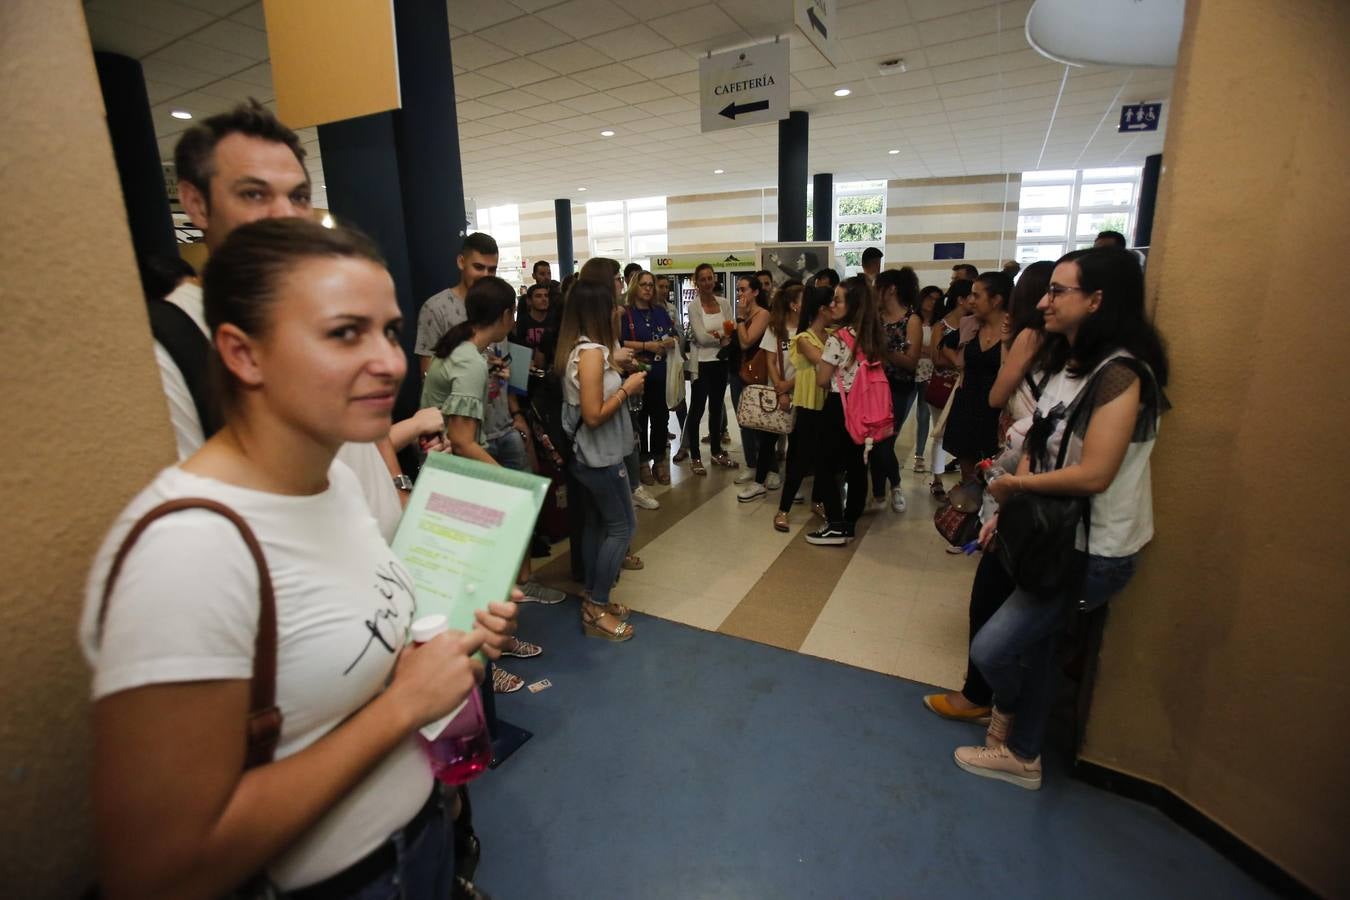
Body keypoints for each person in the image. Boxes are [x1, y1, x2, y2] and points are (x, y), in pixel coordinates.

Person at [80, 218, 519, 897]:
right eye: (345, 333)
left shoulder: (336, 480)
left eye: (391, 331)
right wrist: (403, 706)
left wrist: (445, 647)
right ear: (243, 354)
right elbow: (161, 869)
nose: (391, 362)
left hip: (418, 842)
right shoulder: (186, 551)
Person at [952, 246, 1168, 790]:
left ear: (1097, 300)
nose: (1044, 302)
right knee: (1040, 646)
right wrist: (1009, 507)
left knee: (994, 648)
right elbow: (1038, 437)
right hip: (1051, 533)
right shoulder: (1070, 362)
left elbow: (1095, 473)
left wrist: (1014, 486)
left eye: (1058, 291)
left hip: (1092, 548)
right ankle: (1020, 751)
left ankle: (1014, 737)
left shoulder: (1122, 374)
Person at [154, 99, 313, 460]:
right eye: (254, 194)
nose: (285, 215)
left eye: (298, 197)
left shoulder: (310, 316)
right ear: (196, 205)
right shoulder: (168, 343)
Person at [423, 276, 546, 687]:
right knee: (471, 579)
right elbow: (460, 441)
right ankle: (481, 668)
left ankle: (500, 641)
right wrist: (510, 483)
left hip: (454, 475)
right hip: (450, 482)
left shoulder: (471, 351)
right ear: (506, 315)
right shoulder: (470, 360)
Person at [555, 278, 646, 643]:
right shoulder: (590, 353)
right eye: (613, 305)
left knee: (596, 526)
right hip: (601, 457)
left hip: (592, 454)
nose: (619, 310)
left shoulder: (585, 349)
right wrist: (627, 388)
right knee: (623, 528)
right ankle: (596, 606)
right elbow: (593, 414)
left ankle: (594, 596)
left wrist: (614, 361)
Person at [806, 277, 887, 545]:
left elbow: (822, 379)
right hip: (865, 407)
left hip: (839, 407)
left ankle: (836, 524)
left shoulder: (837, 339)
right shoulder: (873, 335)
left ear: (852, 305)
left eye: (838, 300)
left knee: (825, 465)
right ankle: (850, 521)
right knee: (856, 465)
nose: (832, 304)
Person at [942, 271, 1012, 486]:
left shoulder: (1015, 330)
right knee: (968, 479)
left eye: (976, 295)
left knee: (995, 478)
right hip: (967, 405)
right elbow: (944, 344)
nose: (971, 300)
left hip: (996, 410)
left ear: (996, 299)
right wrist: (958, 363)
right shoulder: (970, 324)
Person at [774, 285, 831, 531]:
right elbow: (827, 361)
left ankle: (818, 500)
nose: (837, 308)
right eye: (833, 304)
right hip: (809, 404)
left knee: (825, 458)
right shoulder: (803, 338)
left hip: (830, 403)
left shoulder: (833, 334)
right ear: (822, 309)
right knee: (799, 459)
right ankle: (783, 509)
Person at [869, 267, 924, 512]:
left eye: (878, 287)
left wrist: (886, 352)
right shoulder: (874, 318)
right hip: (871, 387)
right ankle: (879, 493)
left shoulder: (911, 320)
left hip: (898, 388)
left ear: (890, 289)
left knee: (884, 443)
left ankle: (894, 487)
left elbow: (911, 362)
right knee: (874, 441)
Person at [619, 270, 677, 485]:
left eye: (650, 285)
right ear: (635, 287)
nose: (647, 289)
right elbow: (620, 342)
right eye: (643, 284)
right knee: (640, 420)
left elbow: (673, 334)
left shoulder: (660, 311)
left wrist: (669, 342)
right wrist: (646, 346)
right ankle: (642, 462)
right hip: (637, 375)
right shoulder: (626, 313)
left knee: (661, 419)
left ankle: (659, 461)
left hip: (660, 374)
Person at [416, 232, 500, 376]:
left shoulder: (498, 304)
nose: (485, 275)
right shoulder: (436, 308)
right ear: (461, 262)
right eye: (478, 267)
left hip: (496, 396)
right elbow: (428, 375)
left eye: (492, 269)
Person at [682, 263, 737, 474]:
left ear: (715, 279)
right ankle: (695, 455)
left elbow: (731, 329)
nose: (707, 282)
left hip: (720, 363)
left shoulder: (724, 303)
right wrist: (721, 337)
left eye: (710, 278)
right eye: (702, 279)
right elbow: (701, 337)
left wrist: (720, 337)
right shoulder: (694, 306)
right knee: (696, 409)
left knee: (716, 409)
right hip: (701, 364)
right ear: (697, 282)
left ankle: (716, 451)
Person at [926, 279, 973, 499]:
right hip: (944, 386)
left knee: (963, 434)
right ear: (961, 299)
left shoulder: (976, 325)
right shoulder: (941, 326)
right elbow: (936, 359)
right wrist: (959, 361)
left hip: (966, 387)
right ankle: (936, 479)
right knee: (940, 433)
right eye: (972, 296)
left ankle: (966, 478)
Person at [731, 274, 772, 481]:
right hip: (737, 371)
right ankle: (751, 464)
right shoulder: (744, 314)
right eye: (738, 290)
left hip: (755, 373)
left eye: (744, 289)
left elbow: (746, 342)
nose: (740, 294)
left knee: (760, 422)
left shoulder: (762, 314)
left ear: (755, 292)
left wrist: (739, 318)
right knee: (743, 420)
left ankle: (769, 467)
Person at [906, 285, 945, 475]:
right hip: (910, 369)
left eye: (936, 299)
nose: (932, 302)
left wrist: (922, 349)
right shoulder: (911, 319)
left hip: (930, 371)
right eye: (929, 297)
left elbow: (936, 351)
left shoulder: (939, 323)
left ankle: (919, 455)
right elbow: (907, 347)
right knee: (902, 412)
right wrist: (924, 350)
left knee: (923, 415)